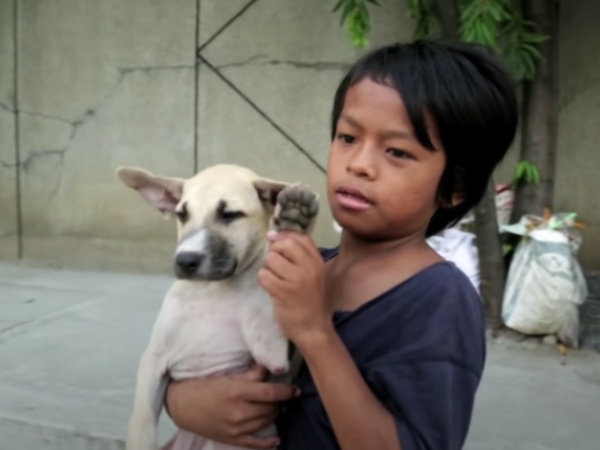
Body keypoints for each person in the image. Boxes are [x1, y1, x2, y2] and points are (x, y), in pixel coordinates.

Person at [162, 38, 519, 450]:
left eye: (397, 151)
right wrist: (182, 403)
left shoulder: (439, 300)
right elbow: (201, 353)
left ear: (455, 187)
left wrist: (314, 332)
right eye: (348, 138)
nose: (359, 164)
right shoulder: (301, 267)